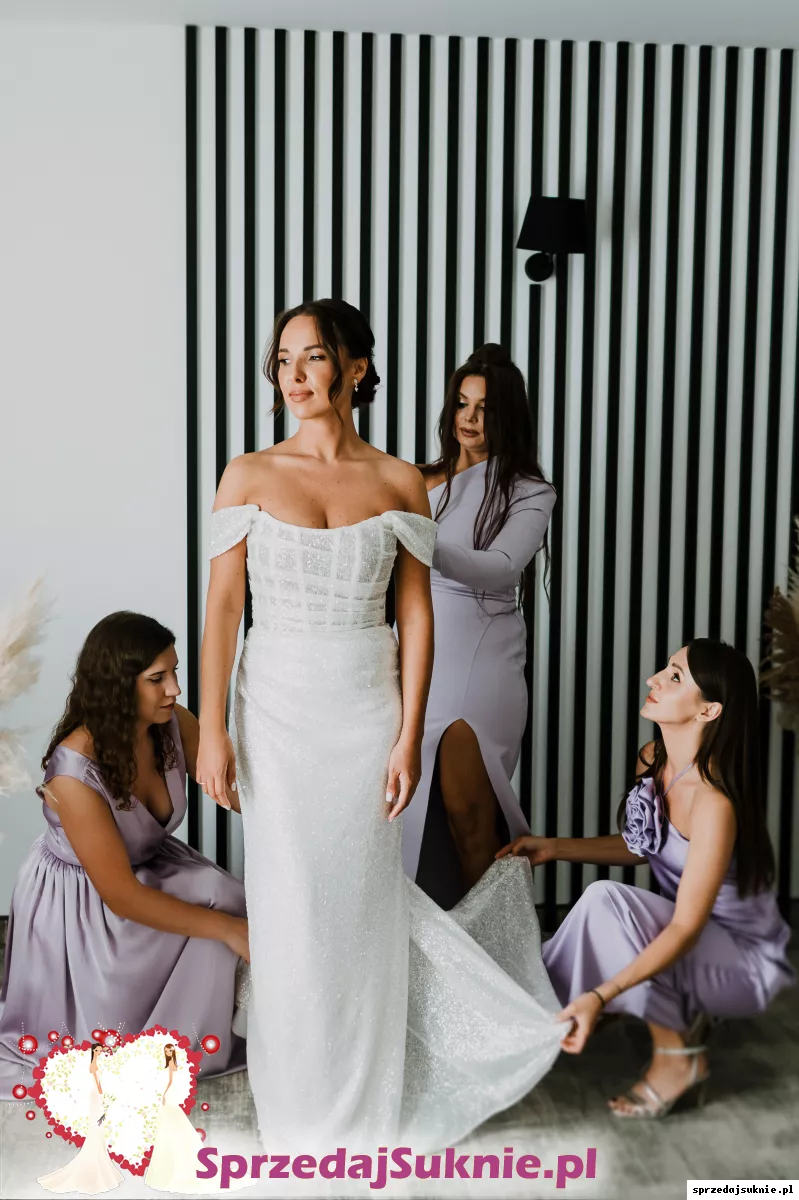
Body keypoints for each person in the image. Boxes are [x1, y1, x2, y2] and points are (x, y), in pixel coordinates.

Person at [198, 298, 565, 1155]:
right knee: (291, 904)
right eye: (283, 359)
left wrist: (407, 737)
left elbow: (416, 617)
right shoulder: (246, 474)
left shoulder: (400, 481)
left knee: (361, 903)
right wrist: (212, 731)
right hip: (276, 709)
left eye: (313, 356)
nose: (293, 374)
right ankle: (298, 1105)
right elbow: (222, 610)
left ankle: (366, 1101)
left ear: (355, 367)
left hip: (367, 707)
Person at [501, 639, 796, 1118]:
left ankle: (678, 1058)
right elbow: (644, 845)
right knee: (605, 904)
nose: (653, 679)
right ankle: (554, 1007)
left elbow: (685, 928)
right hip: (690, 931)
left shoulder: (714, 804)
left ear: (709, 710)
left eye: (675, 677)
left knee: (608, 903)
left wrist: (602, 993)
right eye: (666, 669)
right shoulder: (653, 758)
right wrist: (554, 848)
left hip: (741, 960)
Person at [0, 613, 248, 1098]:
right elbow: (121, 896)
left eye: (174, 672)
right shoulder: (73, 775)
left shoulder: (171, 724)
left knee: (225, 893)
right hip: (87, 901)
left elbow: (239, 793)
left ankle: (206, 1028)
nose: (175, 689)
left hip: (150, 864)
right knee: (220, 919)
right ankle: (162, 1043)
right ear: (118, 685)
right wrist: (228, 930)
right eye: (158, 678)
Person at [406, 344, 556, 905]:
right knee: (410, 807)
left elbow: (501, 567)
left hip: (479, 653)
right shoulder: (414, 479)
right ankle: (429, 942)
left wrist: (417, 538)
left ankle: (497, 945)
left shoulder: (530, 491)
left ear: (508, 416)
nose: (468, 419)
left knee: (470, 811)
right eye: (462, 404)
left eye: (485, 409)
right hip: (412, 649)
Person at [37, 1043, 124, 1195]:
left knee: (99, 1127)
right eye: (97, 1050)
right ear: (93, 1051)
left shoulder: (97, 1063)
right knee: (97, 1126)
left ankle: (99, 1157)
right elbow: (97, 1083)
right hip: (96, 1095)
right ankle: (95, 1158)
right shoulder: (93, 1065)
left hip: (97, 1095)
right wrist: (103, 1096)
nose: (99, 1052)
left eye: (100, 1050)